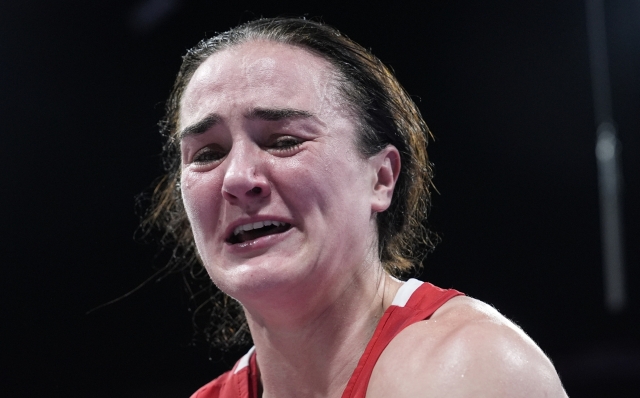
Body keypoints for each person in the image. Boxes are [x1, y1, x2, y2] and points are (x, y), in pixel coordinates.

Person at [149, 17, 568, 397]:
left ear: (381, 178)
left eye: (284, 141)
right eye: (207, 153)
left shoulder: (467, 367)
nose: (238, 179)